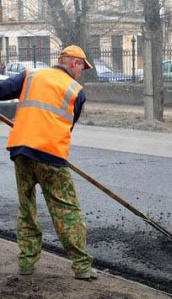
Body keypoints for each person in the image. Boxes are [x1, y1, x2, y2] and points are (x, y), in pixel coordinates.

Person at [0, 45, 98, 280]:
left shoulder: (31, 75)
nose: (81, 72)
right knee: (66, 210)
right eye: (82, 67)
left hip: (21, 151)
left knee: (26, 207)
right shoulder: (77, 91)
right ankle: (82, 266)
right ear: (73, 63)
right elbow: (67, 127)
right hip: (51, 156)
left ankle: (26, 261)